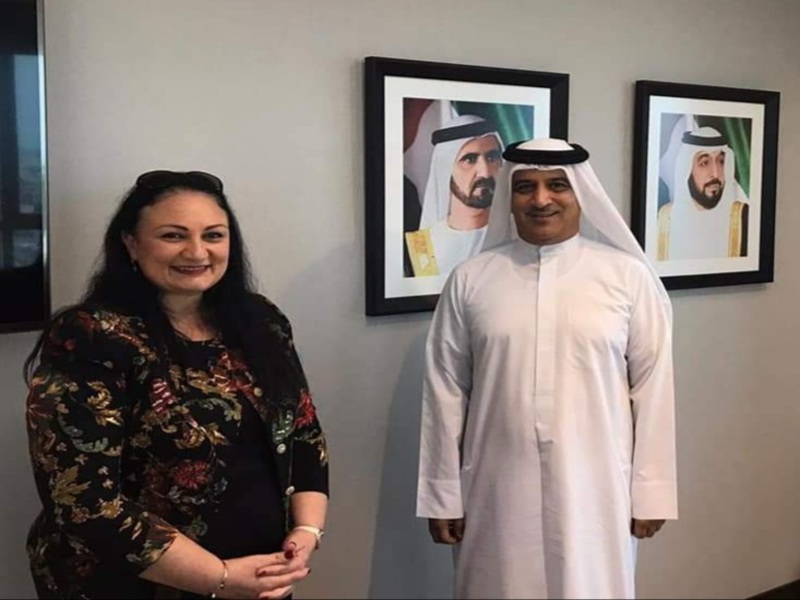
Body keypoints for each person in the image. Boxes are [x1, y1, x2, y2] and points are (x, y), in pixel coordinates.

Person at [23, 170, 329, 599]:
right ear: (131, 243)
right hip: (129, 584)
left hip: (258, 576)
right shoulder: (91, 337)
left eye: (214, 235)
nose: (197, 252)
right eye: (173, 235)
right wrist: (219, 578)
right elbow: (83, 501)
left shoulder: (262, 322)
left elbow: (303, 432)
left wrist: (307, 530)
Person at [416, 139, 677, 599]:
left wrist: (651, 491)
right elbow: (445, 390)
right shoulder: (472, 280)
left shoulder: (628, 279)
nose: (541, 200)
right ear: (510, 197)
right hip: (495, 484)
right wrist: (442, 493)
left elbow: (653, 389)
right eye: (526, 188)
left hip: (597, 484)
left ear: (580, 193)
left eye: (557, 185)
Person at [405, 115, 504, 277]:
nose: (485, 172)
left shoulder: (518, 234)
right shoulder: (422, 247)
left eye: (492, 157)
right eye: (470, 159)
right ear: (445, 169)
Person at [658, 125, 749, 260]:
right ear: (686, 170)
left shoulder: (743, 217)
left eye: (721, 162)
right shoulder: (665, 219)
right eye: (705, 163)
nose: (716, 174)